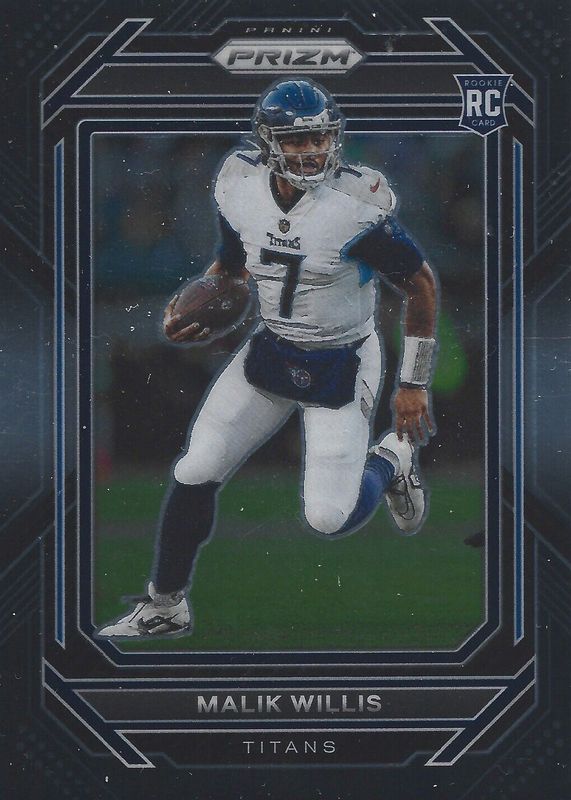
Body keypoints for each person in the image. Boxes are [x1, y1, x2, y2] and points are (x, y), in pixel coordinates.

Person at [97, 79, 438, 639]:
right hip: (273, 346)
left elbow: (420, 285)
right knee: (196, 468)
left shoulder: (355, 207)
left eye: (320, 138)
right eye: (297, 140)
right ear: (268, 142)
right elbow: (232, 266)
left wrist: (414, 384)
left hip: (343, 358)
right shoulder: (239, 184)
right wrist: (201, 303)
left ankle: (391, 459)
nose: (312, 151)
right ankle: (166, 605)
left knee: (328, 518)